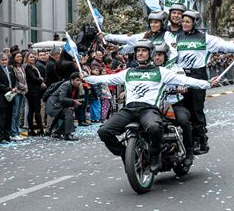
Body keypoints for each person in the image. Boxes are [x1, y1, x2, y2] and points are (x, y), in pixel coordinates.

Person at [83, 40, 219, 173]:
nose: (140, 54)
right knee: (103, 131)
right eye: (138, 51)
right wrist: (86, 78)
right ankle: (125, 153)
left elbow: (185, 80)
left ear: (151, 53)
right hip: (128, 110)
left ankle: (155, 155)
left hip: (148, 110)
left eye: (144, 51)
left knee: (154, 128)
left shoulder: (161, 72)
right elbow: (105, 79)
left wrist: (207, 83)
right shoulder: (128, 72)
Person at [176, 10, 234, 154]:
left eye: (188, 22)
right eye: (183, 21)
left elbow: (225, 46)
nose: (184, 24)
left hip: (197, 75)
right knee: (180, 108)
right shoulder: (177, 37)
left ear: (195, 23)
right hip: (179, 76)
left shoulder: (205, 38)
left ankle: (200, 140)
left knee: (196, 110)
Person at [153, 43, 194, 167]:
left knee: (183, 121)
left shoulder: (176, 68)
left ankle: (189, 152)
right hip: (152, 106)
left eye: (159, 55)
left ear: (166, 56)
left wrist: (182, 86)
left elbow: (183, 80)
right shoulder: (148, 70)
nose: (157, 58)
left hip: (173, 104)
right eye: (154, 55)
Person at [45, 72, 82, 141]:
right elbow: (62, 98)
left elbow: (76, 99)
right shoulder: (66, 85)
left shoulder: (76, 88)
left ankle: (58, 132)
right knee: (69, 113)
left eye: (80, 80)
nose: (79, 82)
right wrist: (73, 102)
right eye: (77, 80)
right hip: (54, 105)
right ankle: (67, 134)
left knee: (70, 115)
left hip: (61, 106)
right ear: (71, 80)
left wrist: (74, 105)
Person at [0, 54, 18, 144]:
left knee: (8, 118)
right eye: (2, 60)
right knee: (1, 119)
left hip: (11, 96)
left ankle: (7, 136)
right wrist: (9, 89)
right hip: (1, 97)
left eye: (5, 59)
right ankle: (0, 138)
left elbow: (14, 80)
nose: (4, 61)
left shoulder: (10, 69)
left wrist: (14, 88)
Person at [25, 50, 46, 136]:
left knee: (32, 110)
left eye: (34, 57)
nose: (33, 58)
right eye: (31, 57)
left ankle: (32, 129)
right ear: (27, 58)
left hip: (34, 90)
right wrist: (41, 80)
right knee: (36, 110)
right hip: (33, 91)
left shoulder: (32, 66)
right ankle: (39, 129)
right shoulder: (28, 67)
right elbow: (33, 78)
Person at [10, 51, 27, 141]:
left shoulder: (22, 67)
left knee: (19, 113)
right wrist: (23, 86)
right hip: (16, 92)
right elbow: (16, 80)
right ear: (14, 58)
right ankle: (13, 132)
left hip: (22, 92)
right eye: (17, 56)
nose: (20, 58)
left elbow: (24, 79)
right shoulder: (12, 68)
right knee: (15, 112)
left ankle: (16, 131)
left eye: (21, 56)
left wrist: (25, 87)